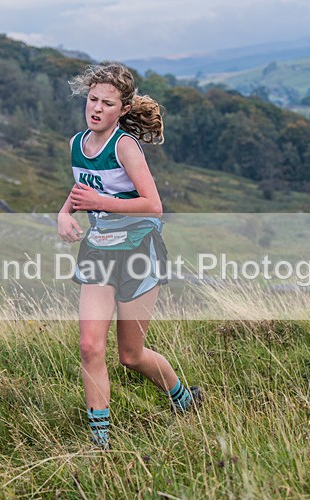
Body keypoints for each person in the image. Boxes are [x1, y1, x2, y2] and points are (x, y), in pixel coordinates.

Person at [57, 64, 202, 449]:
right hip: (99, 250)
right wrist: (64, 214)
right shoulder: (77, 143)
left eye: (107, 103)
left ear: (121, 109)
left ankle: (185, 401)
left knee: (131, 355)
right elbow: (81, 188)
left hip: (139, 250)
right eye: (92, 100)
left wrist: (100, 203)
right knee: (89, 346)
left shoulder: (124, 146)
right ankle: (100, 443)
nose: (97, 109)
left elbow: (153, 205)